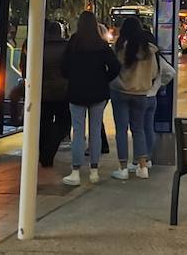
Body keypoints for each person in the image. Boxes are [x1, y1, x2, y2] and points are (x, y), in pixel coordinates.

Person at [60, 11, 120, 186]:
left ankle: (75, 172)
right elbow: (115, 67)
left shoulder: (73, 43)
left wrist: (73, 77)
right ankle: (94, 171)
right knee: (95, 132)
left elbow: (63, 68)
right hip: (98, 93)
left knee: (78, 132)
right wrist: (104, 79)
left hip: (76, 92)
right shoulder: (101, 45)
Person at [110, 17, 159, 180]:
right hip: (141, 94)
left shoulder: (119, 47)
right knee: (139, 130)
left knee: (121, 130)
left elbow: (112, 69)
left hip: (120, 92)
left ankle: (123, 168)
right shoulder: (149, 50)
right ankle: (142, 167)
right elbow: (154, 74)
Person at [37, 20, 72, 168]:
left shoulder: (39, 47)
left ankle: (43, 154)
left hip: (42, 92)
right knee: (64, 123)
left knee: (43, 123)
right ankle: (49, 151)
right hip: (63, 93)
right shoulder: (67, 47)